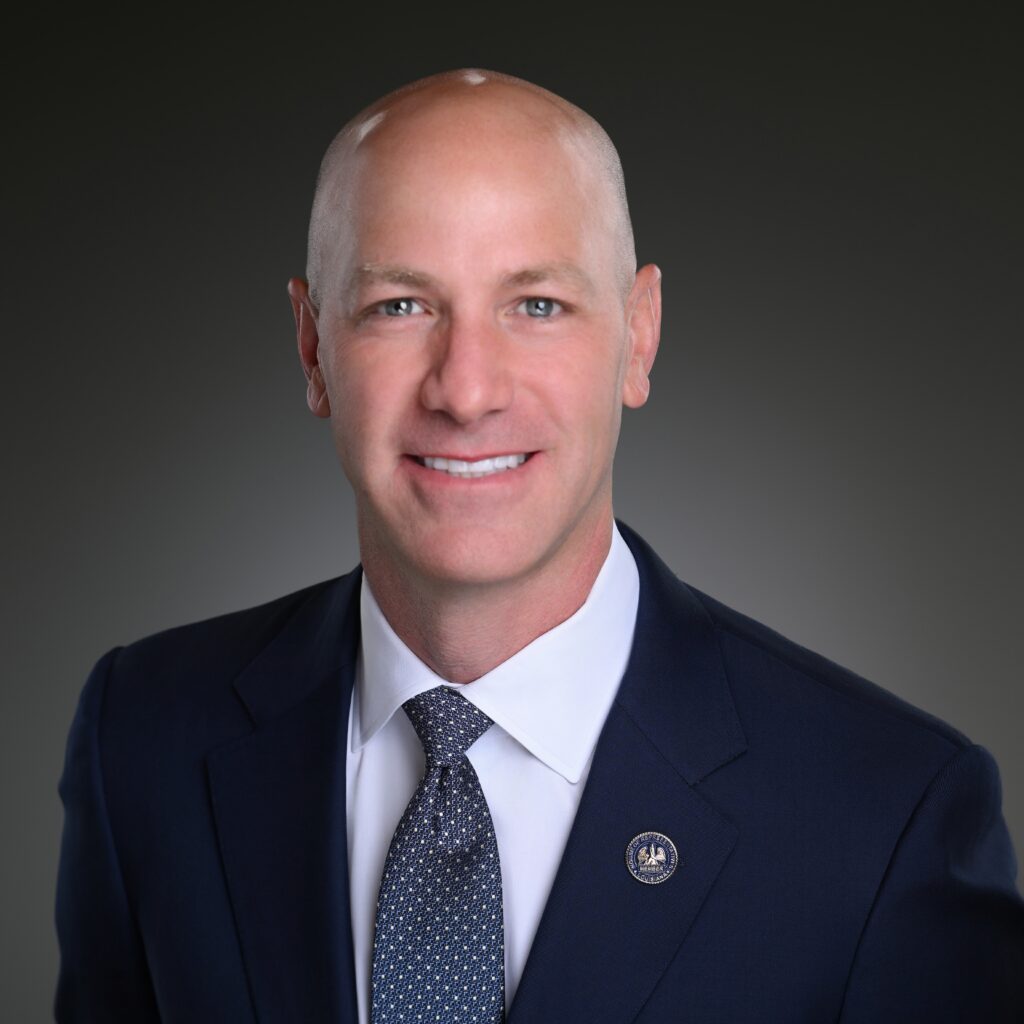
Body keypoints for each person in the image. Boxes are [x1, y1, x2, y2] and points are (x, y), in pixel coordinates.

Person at [55, 69, 1023, 1023]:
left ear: (638, 334)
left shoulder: (885, 810)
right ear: (313, 347)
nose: (466, 390)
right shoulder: (142, 734)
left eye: (537, 305)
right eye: (401, 305)